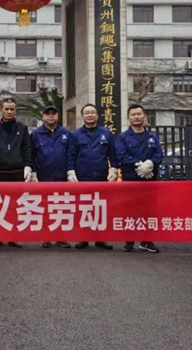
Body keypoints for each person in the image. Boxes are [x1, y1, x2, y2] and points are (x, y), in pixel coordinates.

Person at [67, 103, 118, 250]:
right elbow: (71, 154)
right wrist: (70, 171)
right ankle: (83, 238)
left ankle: (101, 239)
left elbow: (113, 153)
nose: (90, 115)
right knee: (83, 208)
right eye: (87, 113)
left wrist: (114, 169)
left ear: (97, 115)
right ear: (82, 116)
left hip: (101, 176)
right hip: (82, 176)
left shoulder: (106, 133)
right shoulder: (75, 135)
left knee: (101, 208)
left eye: (92, 112)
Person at [115, 104, 164, 253]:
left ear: (144, 116)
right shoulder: (123, 137)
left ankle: (146, 241)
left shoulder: (152, 137)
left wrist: (150, 164)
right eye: (133, 115)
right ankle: (129, 241)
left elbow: (158, 154)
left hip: (149, 179)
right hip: (130, 179)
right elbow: (121, 156)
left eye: (139, 114)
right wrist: (139, 165)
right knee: (130, 210)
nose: (136, 117)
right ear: (128, 118)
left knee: (148, 211)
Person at [0, 98, 31, 248]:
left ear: (15, 110)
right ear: (1, 110)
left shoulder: (22, 128)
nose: (9, 112)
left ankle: (14, 236)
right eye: (6, 109)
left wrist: (28, 166)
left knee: (15, 205)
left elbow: (27, 148)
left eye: (12, 109)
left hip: (17, 172)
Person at [29, 103, 73, 249]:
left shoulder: (66, 133)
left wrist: (70, 171)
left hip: (62, 177)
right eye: (48, 114)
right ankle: (46, 237)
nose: (51, 116)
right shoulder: (35, 134)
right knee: (45, 207)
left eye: (53, 114)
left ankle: (61, 237)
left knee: (62, 207)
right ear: (43, 116)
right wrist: (33, 172)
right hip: (44, 176)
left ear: (57, 116)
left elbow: (70, 154)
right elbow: (31, 156)